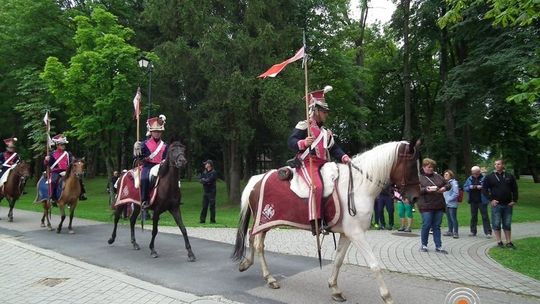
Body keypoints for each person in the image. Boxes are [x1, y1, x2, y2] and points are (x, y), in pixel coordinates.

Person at [287, 86, 351, 235]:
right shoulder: (305, 126)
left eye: (326, 112)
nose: (326, 114)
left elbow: (334, 149)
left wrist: (344, 157)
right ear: (315, 111)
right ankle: (315, 221)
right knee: (316, 187)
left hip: (323, 164)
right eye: (323, 111)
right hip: (307, 163)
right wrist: (303, 143)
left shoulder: (325, 133)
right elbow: (291, 141)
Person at [133, 115, 168, 209]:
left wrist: (165, 161)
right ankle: (144, 199)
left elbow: (167, 157)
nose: (157, 133)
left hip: (161, 166)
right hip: (148, 166)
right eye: (155, 131)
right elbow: (137, 157)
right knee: (144, 178)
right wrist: (136, 149)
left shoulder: (165, 145)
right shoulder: (144, 144)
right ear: (151, 132)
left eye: (159, 131)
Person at [482, 159, 518, 249]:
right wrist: (491, 200)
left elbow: (515, 189)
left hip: (508, 205)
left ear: (503, 165)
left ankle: (509, 242)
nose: (496, 166)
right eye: (495, 164)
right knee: (496, 223)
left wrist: (514, 200)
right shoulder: (489, 177)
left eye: (498, 164)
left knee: (507, 223)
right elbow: (484, 189)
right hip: (496, 205)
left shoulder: (509, 176)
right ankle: (499, 242)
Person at [418, 158, 450, 254]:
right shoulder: (419, 178)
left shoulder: (438, 176)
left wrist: (444, 188)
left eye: (432, 167)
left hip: (438, 205)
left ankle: (438, 246)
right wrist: (426, 189)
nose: (431, 169)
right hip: (425, 205)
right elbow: (416, 190)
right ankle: (424, 245)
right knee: (426, 225)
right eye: (429, 167)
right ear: (423, 167)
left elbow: (448, 184)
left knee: (436, 226)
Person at [44, 134, 87, 201]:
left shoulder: (68, 153)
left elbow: (72, 161)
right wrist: (46, 160)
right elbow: (48, 164)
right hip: (56, 171)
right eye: (61, 144)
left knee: (78, 178)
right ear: (57, 145)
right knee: (53, 181)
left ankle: (82, 193)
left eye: (64, 144)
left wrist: (75, 160)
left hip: (67, 171)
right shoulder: (52, 154)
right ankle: (53, 196)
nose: (63, 146)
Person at [464, 166, 491, 238]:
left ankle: (488, 232)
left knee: (485, 216)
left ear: (479, 172)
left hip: (482, 200)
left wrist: (482, 187)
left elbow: (489, 188)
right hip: (473, 200)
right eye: (473, 173)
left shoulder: (484, 178)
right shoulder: (469, 178)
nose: (474, 175)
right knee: (473, 216)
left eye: (476, 173)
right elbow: (465, 187)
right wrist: (470, 187)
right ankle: (473, 231)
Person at [443, 170, 460, 238]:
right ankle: (450, 231)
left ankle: (455, 232)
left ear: (451, 176)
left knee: (453, 218)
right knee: (448, 218)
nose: (445, 175)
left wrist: (448, 199)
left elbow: (456, 193)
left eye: (447, 174)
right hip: (446, 203)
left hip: (452, 204)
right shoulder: (445, 183)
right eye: (444, 174)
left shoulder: (454, 183)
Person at [199, 159, 217, 224]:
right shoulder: (205, 172)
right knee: (204, 206)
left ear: (209, 165)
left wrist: (205, 181)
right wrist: (204, 181)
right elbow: (201, 180)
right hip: (205, 192)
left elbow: (209, 180)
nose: (205, 165)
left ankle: (212, 220)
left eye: (206, 164)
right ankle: (202, 220)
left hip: (211, 192)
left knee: (212, 207)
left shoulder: (213, 172)